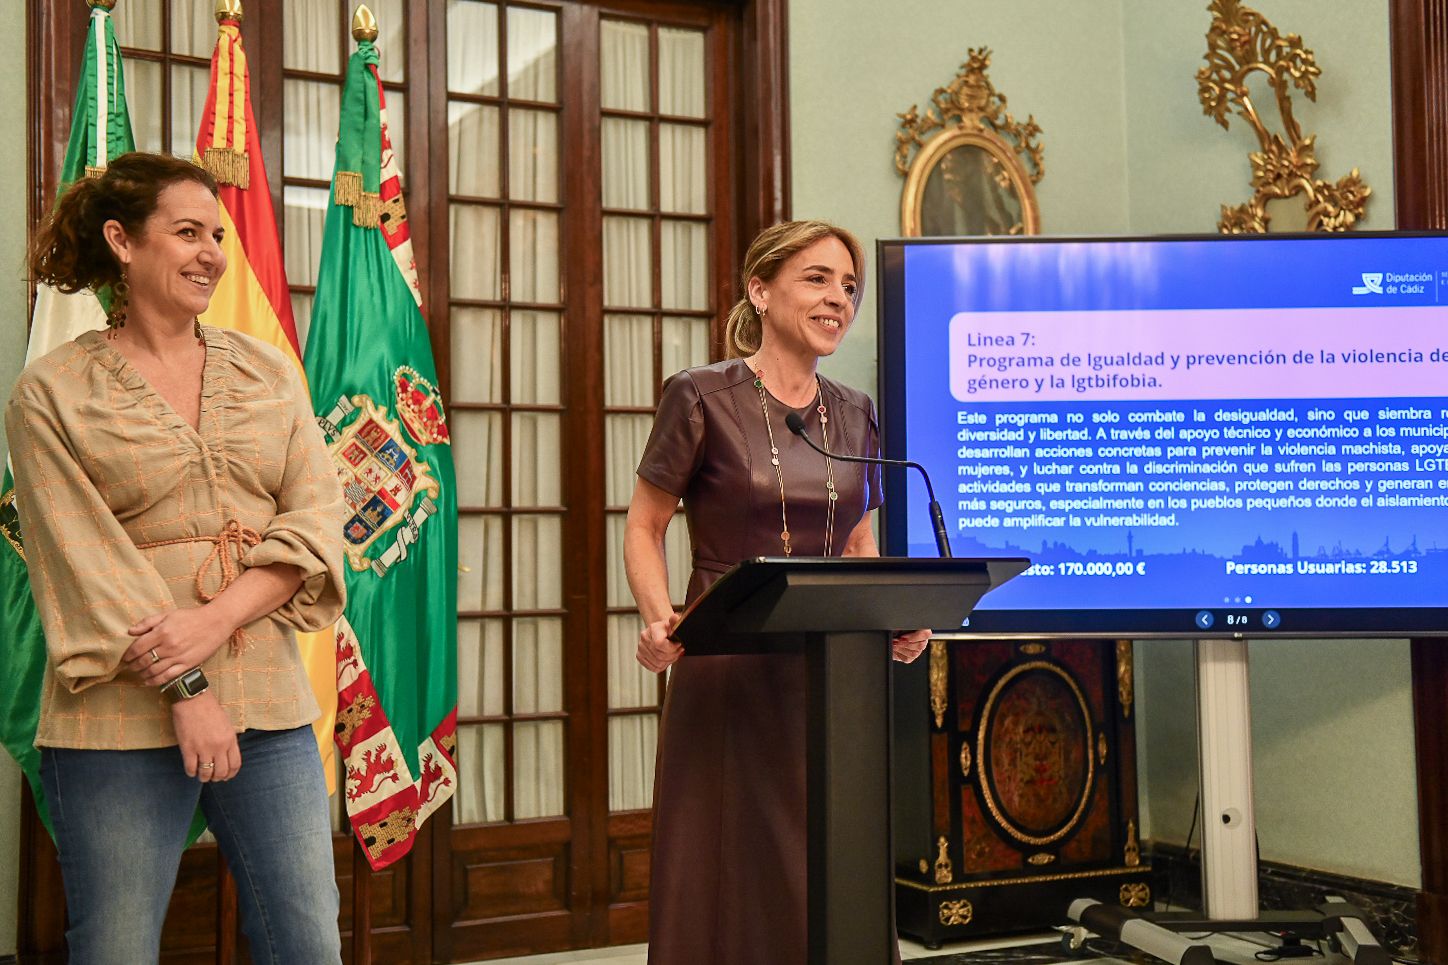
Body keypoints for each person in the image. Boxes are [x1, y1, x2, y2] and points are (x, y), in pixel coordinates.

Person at [6, 152, 348, 964]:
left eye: (218, 236)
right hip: (115, 715)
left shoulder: (267, 370)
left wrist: (217, 620)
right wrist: (188, 683)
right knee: (115, 947)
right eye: (187, 232)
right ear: (121, 242)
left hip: (267, 698)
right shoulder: (50, 393)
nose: (212, 254)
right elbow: (84, 564)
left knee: (307, 941)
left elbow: (315, 516)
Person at [624, 219, 933, 964]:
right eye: (817, 279)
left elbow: (858, 541)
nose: (839, 299)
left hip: (832, 673)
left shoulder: (855, 410)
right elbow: (644, 525)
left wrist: (896, 614)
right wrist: (658, 619)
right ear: (760, 291)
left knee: (827, 862)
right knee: (730, 871)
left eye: (849, 286)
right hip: (728, 665)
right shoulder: (699, 395)